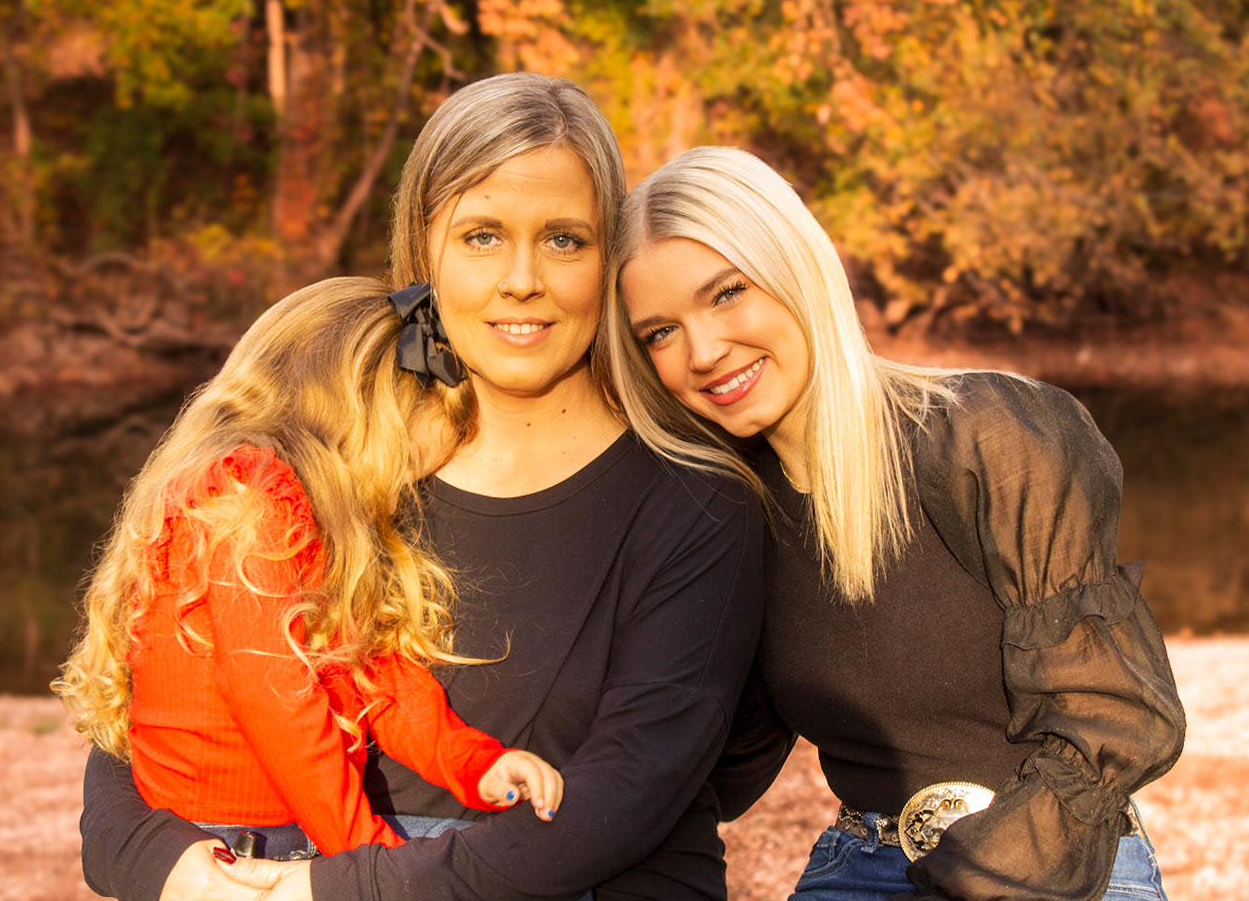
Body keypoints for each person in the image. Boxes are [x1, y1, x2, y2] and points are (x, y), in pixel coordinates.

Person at [76, 75, 767, 901]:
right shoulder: (340, 464)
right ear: (421, 254)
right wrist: (162, 860)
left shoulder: (695, 504)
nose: (521, 279)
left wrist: (332, 890)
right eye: (481, 236)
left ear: (609, 260)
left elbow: (628, 796)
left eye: (564, 239)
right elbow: (161, 702)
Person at [608, 147, 1186, 901]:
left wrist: (971, 878)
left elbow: (1111, 716)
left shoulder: (988, 435)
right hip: (859, 864)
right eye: (659, 333)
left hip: (1052, 856)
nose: (703, 351)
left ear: (795, 268)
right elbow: (723, 755)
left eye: (727, 293)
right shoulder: (735, 513)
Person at [52, 277, 564, 863]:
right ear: (360, 416)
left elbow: (378, 677)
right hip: (239, 847)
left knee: (533, 866)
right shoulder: (245, 500)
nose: (399, 495)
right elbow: (280, 710)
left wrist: (478, 764)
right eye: (404, 466)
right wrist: (370, 864)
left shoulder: (317, 519)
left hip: (301, 831)